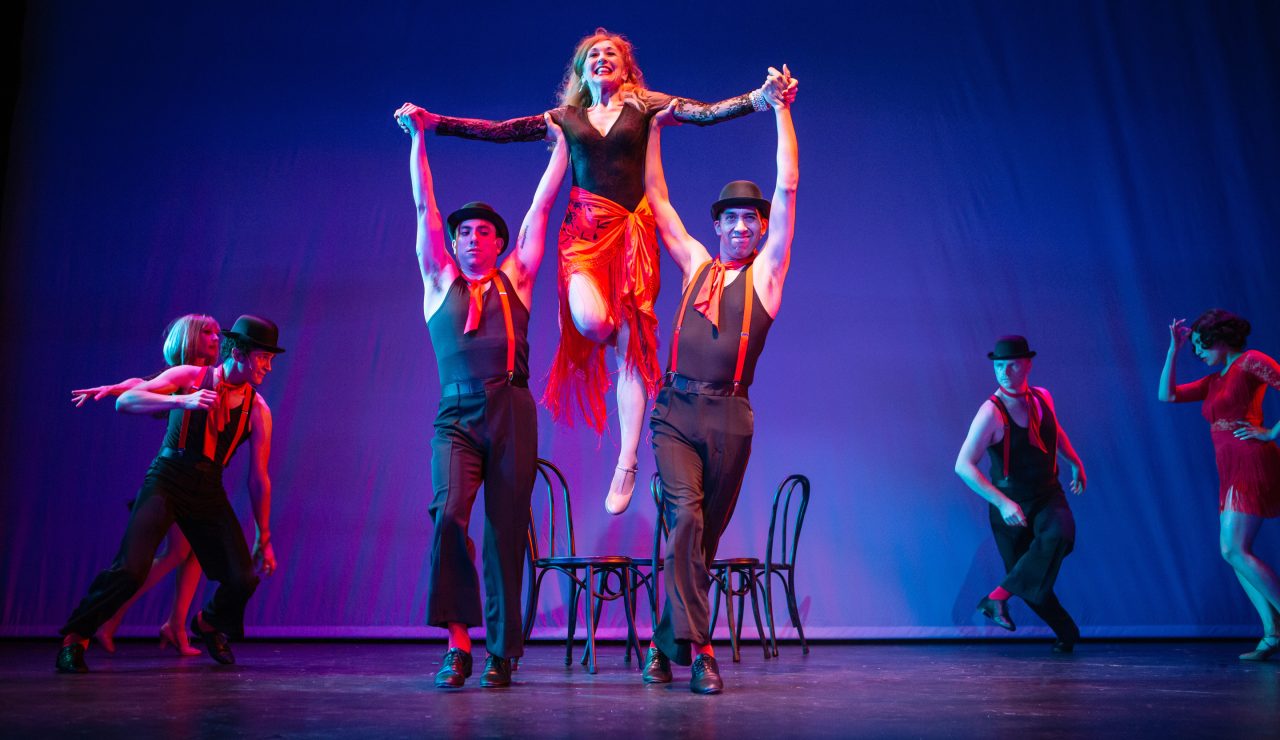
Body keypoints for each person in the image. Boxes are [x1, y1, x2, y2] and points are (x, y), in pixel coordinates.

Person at [419, 28, 790, 515]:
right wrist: (435, 123)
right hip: (585, 237)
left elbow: (705, 112)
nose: (602, 59)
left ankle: (628, 459)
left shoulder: (646, 107)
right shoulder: (566, 119)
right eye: (593, 54)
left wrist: (760, 100)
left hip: (634, 236)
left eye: (611, 54)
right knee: (595, 322)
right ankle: (613, 334)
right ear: (581, 69)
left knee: (632, 346)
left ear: (627, 67)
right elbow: (499, 129)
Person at [394, 99, 567, 688]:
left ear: (498, 242)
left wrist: (563, 140)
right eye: (463, 232)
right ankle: (458, 644)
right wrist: (419, 137)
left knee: (505, 530)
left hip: (512, 409)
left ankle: (500, 652)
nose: (472, 239)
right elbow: (424, 205)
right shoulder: (438, 282)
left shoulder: (516, 277)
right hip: (458, 412)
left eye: (483, 232)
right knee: (448, 517)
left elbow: (543, 204)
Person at [638, 66, 797, 694]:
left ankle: (662, 642)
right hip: (674, 410)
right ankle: (700, 651)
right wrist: (650, 128)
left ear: (760, 231)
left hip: (731, 417)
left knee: (702, 538)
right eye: (729, 219)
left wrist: (779, 109)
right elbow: (654, 198)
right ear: (717, 227)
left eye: (749, 221)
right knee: (685, 522)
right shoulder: (695, 265)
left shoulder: (766, 279)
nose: (739, 227)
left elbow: (787, 188)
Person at [56, 315, 283, 673]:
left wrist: (264, 536)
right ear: (238, 351)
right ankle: (76, 637)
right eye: (262, 357)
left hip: (207, 489)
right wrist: (183, 402)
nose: (268, 367)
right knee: (130, 570)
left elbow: (259, 478)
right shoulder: (192, 376)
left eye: (271, 359)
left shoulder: (258, 409)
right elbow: (128, 400)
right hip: (167, 478)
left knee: (243, 579)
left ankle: (206, 624)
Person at [71, 314, 221, 656]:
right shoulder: (180, 375)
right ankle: (113, 620)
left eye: (217, 331)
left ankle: (174, 625)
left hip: (195, 480)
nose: (216, 337)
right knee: (170, 556)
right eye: (207, 332)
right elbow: (140, 383)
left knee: (188, 553)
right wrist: (112, 389)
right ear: (188, 338)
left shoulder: (210, 376)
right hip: (172, 480)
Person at [1159, 309, 1280, 661]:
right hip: (1229, 469)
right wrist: (1173, 351)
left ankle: (1275, 629)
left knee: (1232, 549)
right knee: (1233, 553)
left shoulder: (1250, 361)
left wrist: (1272, 431)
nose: (1198, 352)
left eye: (1200, 344)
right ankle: (1272, 632)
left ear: (1221, 339)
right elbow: (1166, 396)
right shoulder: (1215, 381)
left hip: (1251, 462)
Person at [954, 336, 1087, 653]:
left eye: (1012, 364)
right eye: (999, 365)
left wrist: (1075, 463)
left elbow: (1054, 432)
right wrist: (1003, 503)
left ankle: (996, 598)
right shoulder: (991, 412)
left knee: (1060, 536)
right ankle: (1067, 634)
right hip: (1011, 505)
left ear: (1028, 364)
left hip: (1047, 493)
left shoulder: (1042, 397)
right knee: (1030, 582)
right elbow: (963, 465)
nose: (1004, 371)